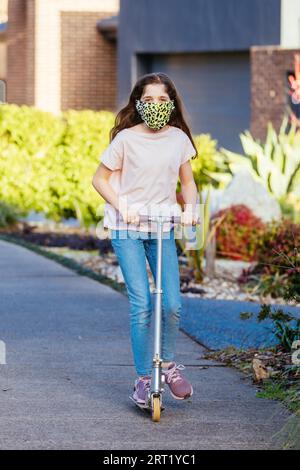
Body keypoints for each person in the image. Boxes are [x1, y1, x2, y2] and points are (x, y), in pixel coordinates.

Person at [92, 72, 199, 407]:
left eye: (162, 100)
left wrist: (192, 208)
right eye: (148, 100)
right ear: (138, 103)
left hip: (162, 228)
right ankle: (142, 378)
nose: (155, 106)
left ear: (171, 103)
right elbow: (100, 180)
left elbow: (188, 183)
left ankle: (167, 366)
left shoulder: (179, 139)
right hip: (128, 229)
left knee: (171, 304)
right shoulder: (125, 139)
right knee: (141, 303)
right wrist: (124, 206)